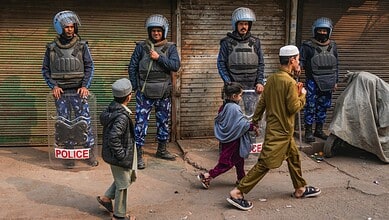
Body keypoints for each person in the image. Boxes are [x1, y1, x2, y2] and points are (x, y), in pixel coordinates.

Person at [227, 45, 321, 211]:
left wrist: (255, 121)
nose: (299, 62)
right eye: (298, 59)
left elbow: (262, 103)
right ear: (292, 60)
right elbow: (293, 107)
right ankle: (238, 192)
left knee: (294, 157)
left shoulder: (272, 78)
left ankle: (300, 188)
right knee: (264, 164)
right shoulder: (290, 83)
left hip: (281, 131)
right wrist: (303, 95)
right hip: (281, 133)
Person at [41, 10, 97, 168]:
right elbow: (45, 70)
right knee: (65, 123)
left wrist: (85, 85)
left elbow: (89, 66)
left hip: (79, 91)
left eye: (72, 27)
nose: (70, 30)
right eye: (66, 27)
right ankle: (69, 154)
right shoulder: (51, 48)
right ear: (60, 28)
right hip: (61, 94)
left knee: (84, 122)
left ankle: (89, 152)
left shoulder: (82, 46)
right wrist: (54, 86)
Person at [128, 14, 181, 169]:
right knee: (140, 124)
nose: (156, 33)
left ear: (163, 31)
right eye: (153, 31)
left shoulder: (170, 48)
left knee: (163, 122)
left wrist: (159, 58)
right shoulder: (141, 47)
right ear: (149, 31)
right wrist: (135, 86)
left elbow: (175, 66)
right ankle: (138, 154)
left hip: (163, 93)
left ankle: (162, 149)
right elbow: (132, 67)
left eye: (159, 31)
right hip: (144, 93)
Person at [197, 82, 258, 189]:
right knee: (227, 162)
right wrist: (252, 127)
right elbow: (240, 124)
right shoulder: (233, 108)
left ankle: (241, 178)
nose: (240, 98)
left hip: (229, 139)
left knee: (239, 159)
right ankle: (208, 176)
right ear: (234, 96)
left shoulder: (224, 107)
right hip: (234, 141)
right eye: (240, 95)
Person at [97, 78, 137, 220]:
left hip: (114, 154)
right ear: (129, 97)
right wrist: (121, 155)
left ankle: (106, 198)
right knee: (123, 184)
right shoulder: (122, 117)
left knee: (125, 179)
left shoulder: (112, 108)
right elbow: (114, 137)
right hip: (118, 155)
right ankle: (119, 215)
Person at [217, 7, 265, 116]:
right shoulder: (226, 42)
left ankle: (250, 133)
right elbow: (221, 63)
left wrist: (260, 82)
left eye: (246, 24)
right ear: (235, 24)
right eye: (241, 24)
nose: (244, 27)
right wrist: (228, 82)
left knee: (251, 115)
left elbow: (261, 64)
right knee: (232, 115)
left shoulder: (255, 42)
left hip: (251, 86)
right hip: (234, 85)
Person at [300, 17, 339, 142]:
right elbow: (301, 61)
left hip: (328, 81)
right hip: (313, 81)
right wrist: (298, 69)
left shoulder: (333, 46)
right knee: (310, 106)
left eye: (325, 30)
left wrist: (335, 81)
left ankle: (319, 130)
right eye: (320, 30)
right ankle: (308, 131)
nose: (322, 33)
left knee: (323, 106)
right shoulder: (307, 46)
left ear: (329, 31)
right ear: (315, 30)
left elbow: (336, 65)